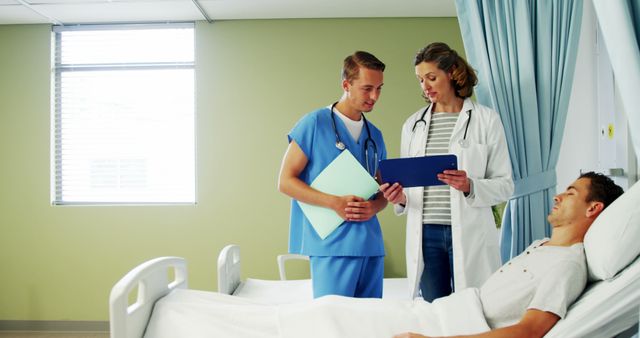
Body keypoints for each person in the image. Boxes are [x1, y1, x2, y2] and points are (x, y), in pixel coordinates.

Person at [393, 172, 624, 338]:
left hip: (456, 326)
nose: (557, 197)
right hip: (443, 312)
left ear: (593, 208)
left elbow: (529, 331)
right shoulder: (542, 244)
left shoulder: (567, 265)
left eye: (570, 194)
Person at [379, 42, 513, 301]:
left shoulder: (486, 120)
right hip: (426, 232)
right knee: (434, 310)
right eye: (420, 80)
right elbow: (410, 185)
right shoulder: (413, 125)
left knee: (472, 305)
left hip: (468, 229)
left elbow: (505, 185)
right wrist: (400, 198)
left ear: (452, 73)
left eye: (431, 77)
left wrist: (470, 185)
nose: (425, 87)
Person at [277, 51, 389, 298]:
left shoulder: (375, 135)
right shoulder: (314, 123)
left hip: (370, 245)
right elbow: (285, 182)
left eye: (379, 88)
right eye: (367, 88)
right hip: (331, 244)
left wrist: (375, 207)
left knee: (368, 327)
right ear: (346, 85)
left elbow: (383, 191)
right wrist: (334, 202)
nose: (374, 97)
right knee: (332, 325)